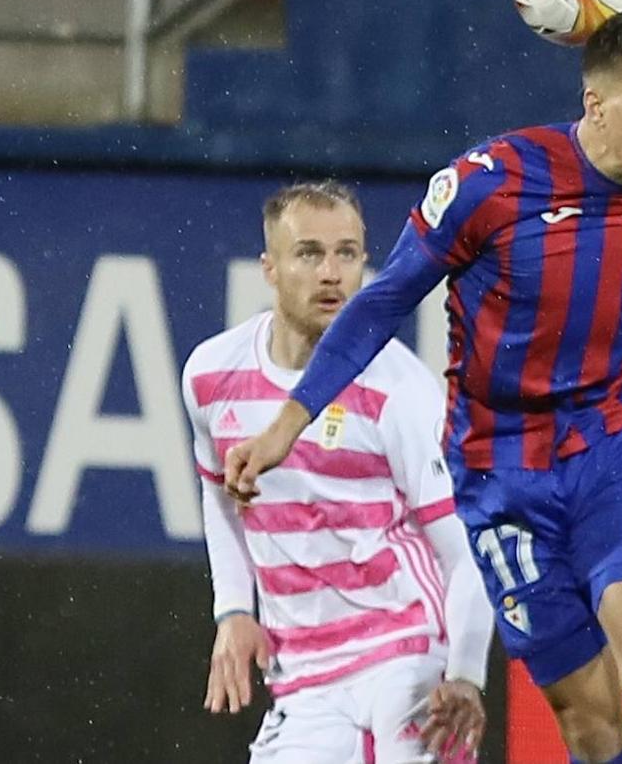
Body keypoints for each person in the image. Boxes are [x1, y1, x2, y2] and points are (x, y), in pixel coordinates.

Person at [222, 12, 622, 763]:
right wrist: (289, 421)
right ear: (596, 104)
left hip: (614, 448)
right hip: (501, 474)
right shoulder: (489, 184)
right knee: (590, 721)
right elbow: (382, 302)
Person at [181, 181, 493, 763]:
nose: (332, 273)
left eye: (347, 253)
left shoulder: (399, 389)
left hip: (404, 648)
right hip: (302, 673)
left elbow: (463, 550)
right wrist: (234, 611)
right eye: (310, 254)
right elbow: (219, 493)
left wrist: (466, 673)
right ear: (269, 269)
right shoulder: (211, 374)